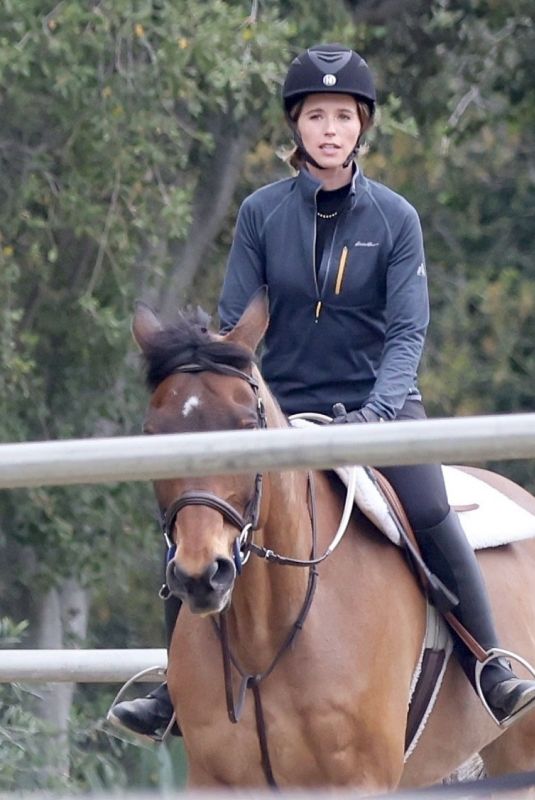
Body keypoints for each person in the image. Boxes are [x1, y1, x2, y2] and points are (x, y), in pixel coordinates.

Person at [110, 43, 535, 740]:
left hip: (382, 408)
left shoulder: (395, 217)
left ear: (361, 126)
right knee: (199, 504)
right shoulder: (259, 213)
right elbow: (234, 333)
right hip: (278, 409)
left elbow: (406, 332)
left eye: (342, 115)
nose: (329, 129)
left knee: (428, 506)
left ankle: (489, 663)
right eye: (316, 116)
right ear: (296, 128)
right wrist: (244, 398)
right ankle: (173, 689)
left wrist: (374, 414)